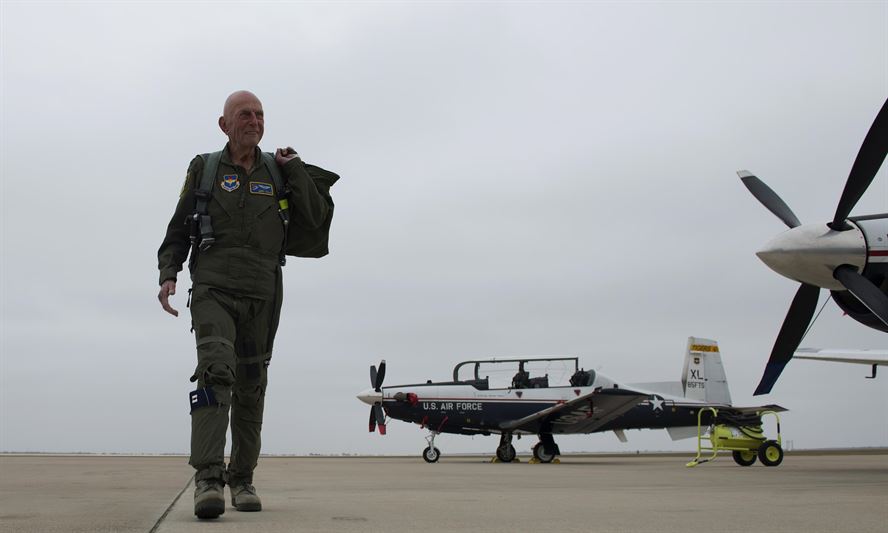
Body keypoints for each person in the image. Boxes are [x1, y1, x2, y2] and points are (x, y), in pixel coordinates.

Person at [157, 90, 334, 519]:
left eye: (259, 115)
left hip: (263, 291)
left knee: (253, 384)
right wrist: (169, 272)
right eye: (244, 115)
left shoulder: (279, 169)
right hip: (214, 287)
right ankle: (208, 479)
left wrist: (297, 172)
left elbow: (316, 219)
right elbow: (180, 223)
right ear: (224, 125)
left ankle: (243, 477)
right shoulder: (205, 168)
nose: (253, 121)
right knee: (217, 373)